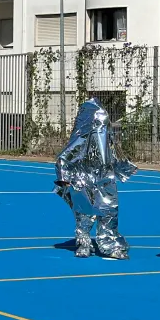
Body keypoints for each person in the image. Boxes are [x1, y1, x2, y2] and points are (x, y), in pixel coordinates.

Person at [55, 98, 137, 259]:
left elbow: (114, 154)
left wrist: (123, 167)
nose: (103, 129)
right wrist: (64, 180)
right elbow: (63, 158)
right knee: (84, 214)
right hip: (83, 180)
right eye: (100, 125)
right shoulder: (81, 140)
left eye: (105, 125)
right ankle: (84, 243)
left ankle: (109, 244)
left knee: (109, 211)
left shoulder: (107, 138)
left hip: (105, 179)